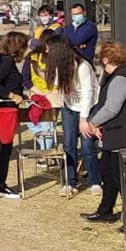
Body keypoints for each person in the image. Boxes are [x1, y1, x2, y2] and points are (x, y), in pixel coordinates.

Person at [80, 41, 126, 223]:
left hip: (125, 137)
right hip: (115, 136)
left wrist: (92, 123)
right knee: (108, 176)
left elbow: (111, 108)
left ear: (105, 59)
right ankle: (105, 211)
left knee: (121, 180)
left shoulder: (122, 78)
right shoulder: (119, 76)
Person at [44, 33, 101, 198]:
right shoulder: (58, 66)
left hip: (88, 107)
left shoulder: (83, 66)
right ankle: (70, 181)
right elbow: (56, 86)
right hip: (69, 107)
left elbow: (88, 94)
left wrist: (84, 119)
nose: (46, 52)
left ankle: (94, 181)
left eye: (49, 49)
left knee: (87, 146)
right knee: (69, 145)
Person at [0, 31, 28, 200]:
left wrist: (21, 95)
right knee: (0, 147)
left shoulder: (2, 59)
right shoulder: (6, 61)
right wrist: (11, 95)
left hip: (3, 107)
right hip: (2, 107)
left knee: (1, 147)